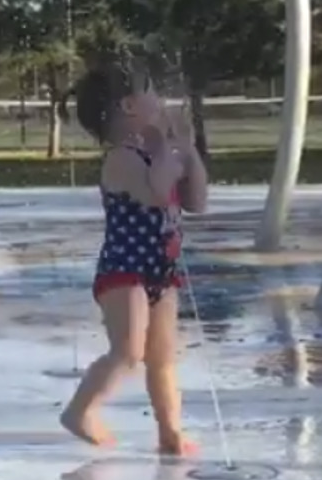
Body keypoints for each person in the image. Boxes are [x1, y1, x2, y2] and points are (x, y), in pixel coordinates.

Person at [57, 60, 208, 456]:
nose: (160, 101)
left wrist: (189, 153)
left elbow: (197, 202)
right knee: (128, 352)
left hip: (162, 272)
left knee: (163, 358)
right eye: (152, 93)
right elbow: (157, 192)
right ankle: (79, 412)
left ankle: (170, 432)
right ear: (128, 106)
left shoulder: (155, 156)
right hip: (125, 272)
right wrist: (167, 152)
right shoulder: (121, 159)